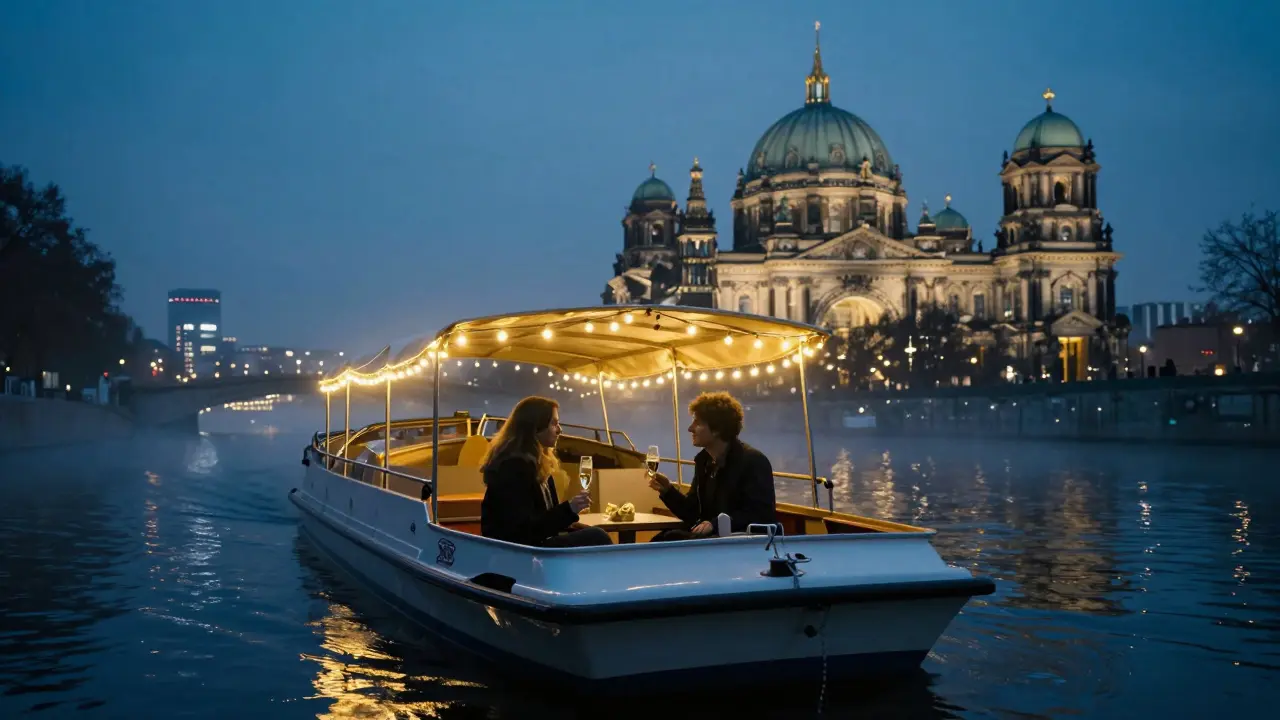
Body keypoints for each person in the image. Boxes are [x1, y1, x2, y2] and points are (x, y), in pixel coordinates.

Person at [479, 396, 612, 548]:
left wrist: (571, 518)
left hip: (537, 545)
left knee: (595, 533)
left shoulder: (538, 464)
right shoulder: (513, 468)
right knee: (597, 536)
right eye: (554, 423)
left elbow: (545, 521)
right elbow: (523, 531)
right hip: (520, 552)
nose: (559, 430)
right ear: (536, 426)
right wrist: (570, 509)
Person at [648, 391, 777, 541]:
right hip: (711, 539)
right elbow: (693, 512)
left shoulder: (753, 461)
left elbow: (761, 514)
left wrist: (714, 524)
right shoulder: (704, 462)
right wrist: (668, 491)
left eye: (697, 423)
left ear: (717, 429)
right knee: (660, 541)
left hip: (736, 543)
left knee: (667, 541)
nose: (690, 428)